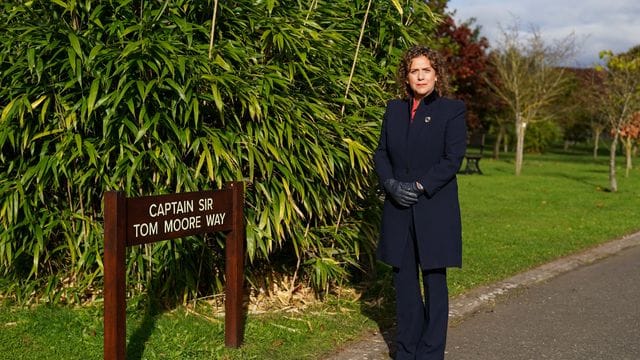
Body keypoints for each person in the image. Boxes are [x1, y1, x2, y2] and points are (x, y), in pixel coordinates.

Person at [373, 45, 467, 360]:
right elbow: (381, 153)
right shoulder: (393, 110)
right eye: (415, 70)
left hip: (434, 210)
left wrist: (419, 185)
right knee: (404, 286)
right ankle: (406, 350)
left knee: (434, 283)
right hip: (398, 208)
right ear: (407, 76)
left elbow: (452, 159)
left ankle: (429, 353)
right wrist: (390, 185)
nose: (421, 76)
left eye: (426, 69)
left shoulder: (452, 110)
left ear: (436, 74)